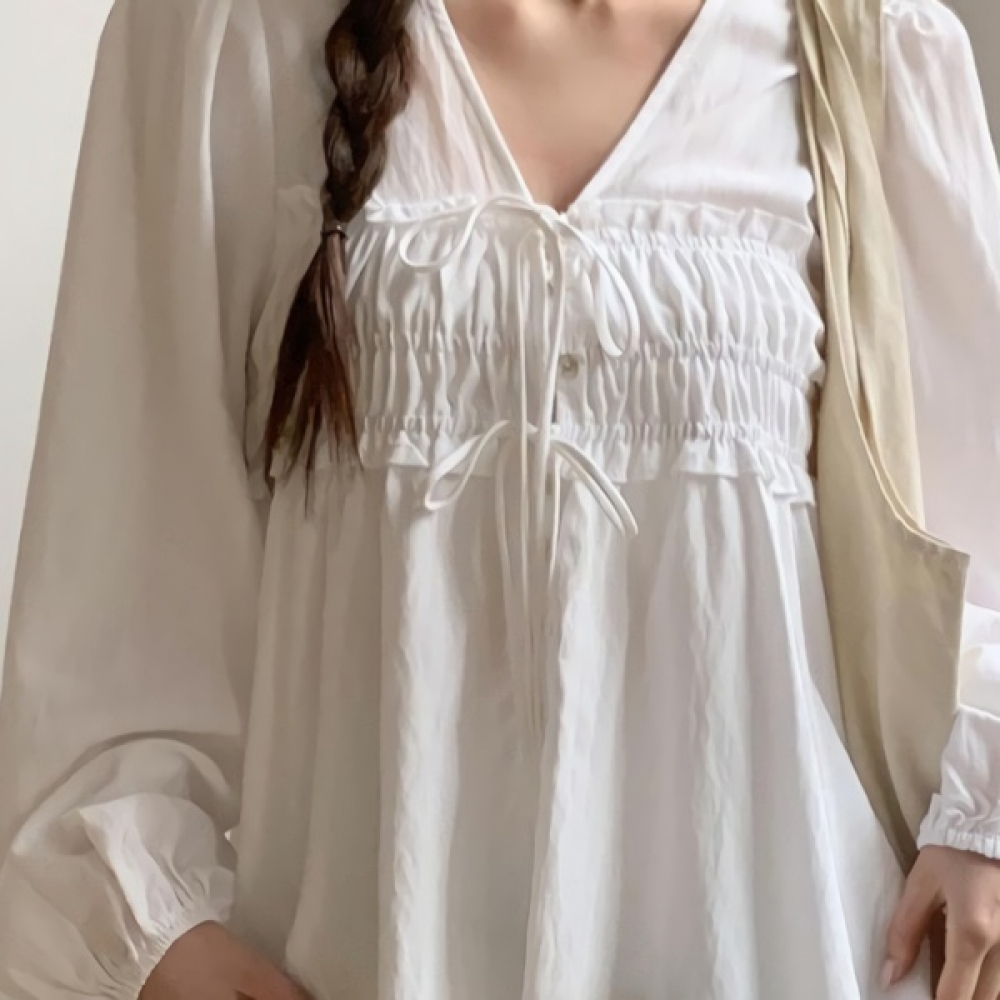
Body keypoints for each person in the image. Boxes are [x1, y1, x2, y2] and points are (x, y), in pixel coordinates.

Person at [2, 0, 1000, 995]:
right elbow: (111, 610)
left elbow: (973, 568)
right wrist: (157, 936)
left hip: (787, 953)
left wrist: (982, 818)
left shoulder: (871, 49)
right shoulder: (222, 34)